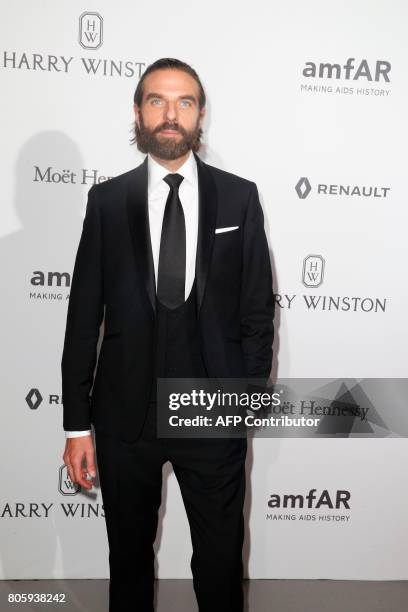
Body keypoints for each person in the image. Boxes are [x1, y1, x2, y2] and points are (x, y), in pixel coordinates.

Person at [61, 57, 274, 612]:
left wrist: (243, 402)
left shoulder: (239, 197)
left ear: (201, 115)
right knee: (128, 565)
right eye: (157, 100)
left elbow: (257, 310)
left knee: (221, 564)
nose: (170, 114)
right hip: (125, 417)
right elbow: (84, 315)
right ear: (138, 112)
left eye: (184, 102)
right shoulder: (107, 203)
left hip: (211, 411)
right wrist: (76, 424)